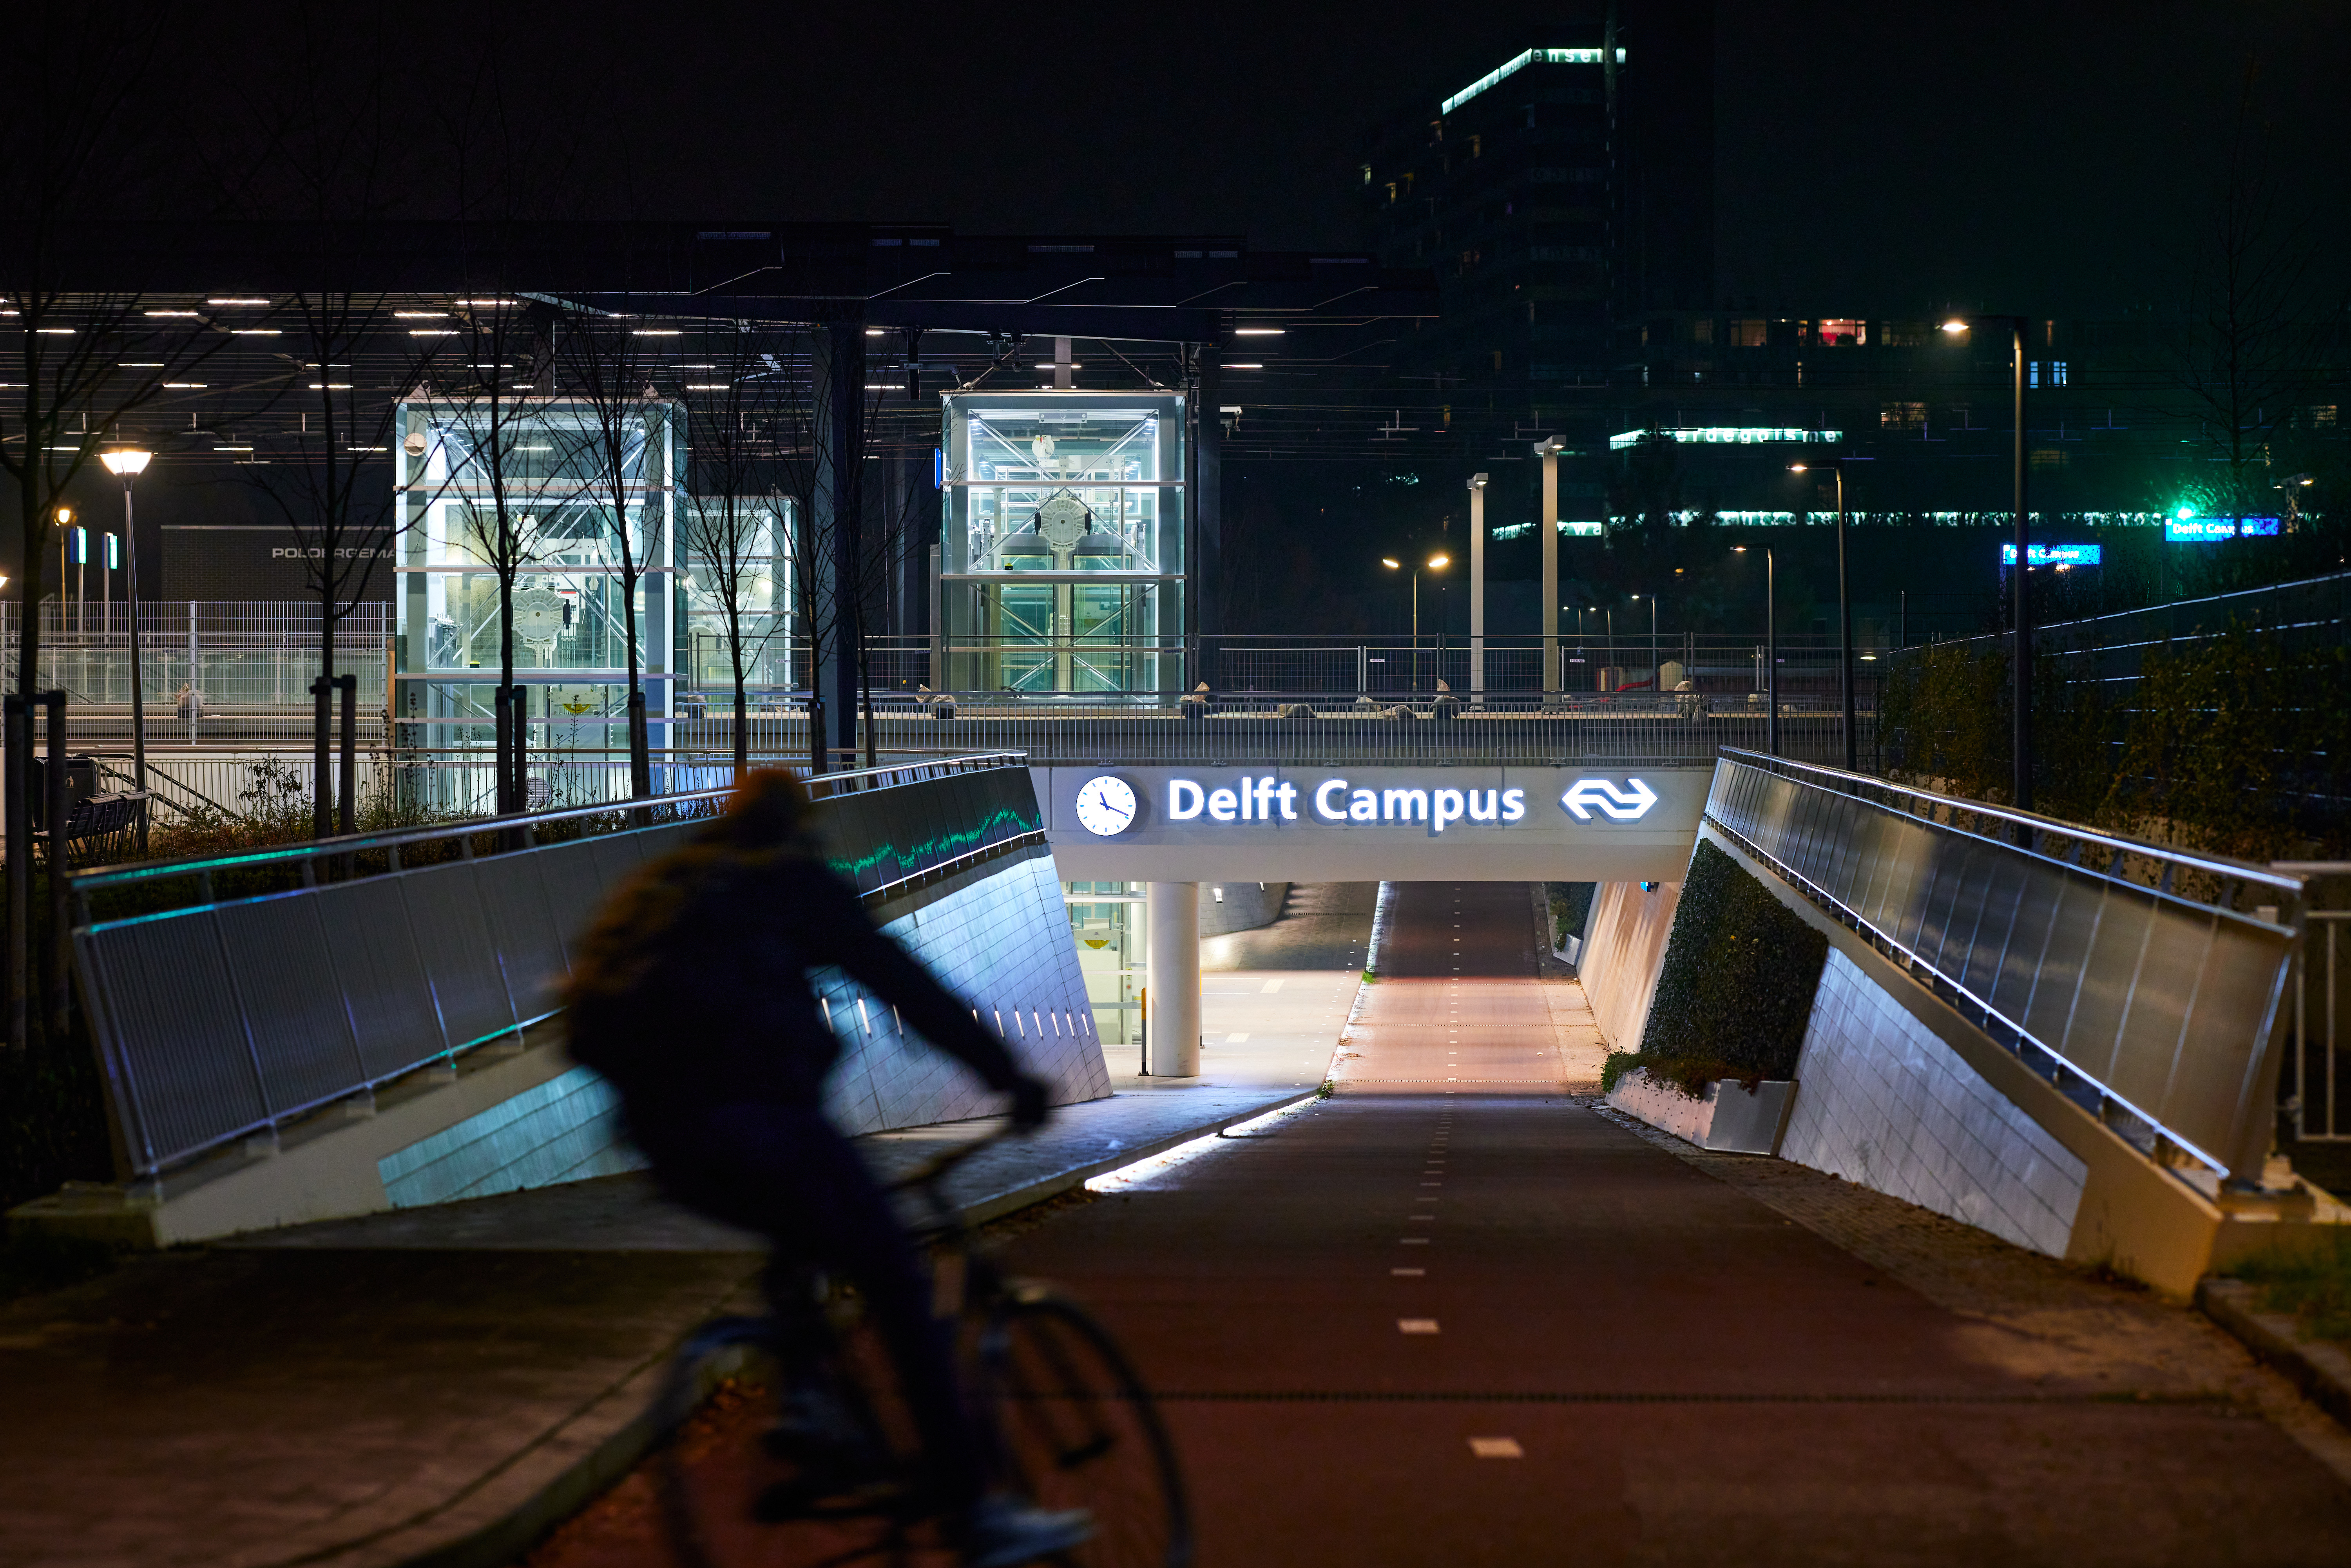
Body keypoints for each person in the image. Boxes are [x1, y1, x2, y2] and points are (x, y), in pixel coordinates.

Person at [563, 770, 1090, 1567]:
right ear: (797, 828)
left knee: (798, 1235)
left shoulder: (664, 888)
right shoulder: (788, 882)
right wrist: (1007, 1075)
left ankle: (809, 1397)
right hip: (761, 1120)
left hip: (663, 1140)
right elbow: (903, 981)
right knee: (897, 1280)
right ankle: (974, 1515)